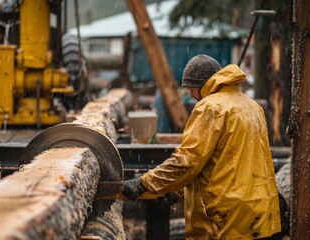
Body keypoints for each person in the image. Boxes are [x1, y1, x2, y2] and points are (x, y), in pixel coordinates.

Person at [121, 55, 282, 239]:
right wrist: (176, 191)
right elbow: (223, 162)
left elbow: (188, 161)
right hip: (259, 213)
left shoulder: (210, 107)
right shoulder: (252, 106)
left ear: (204, 85)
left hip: (227, 217)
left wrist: (144, 183)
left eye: (191, 89)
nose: (191, 96)